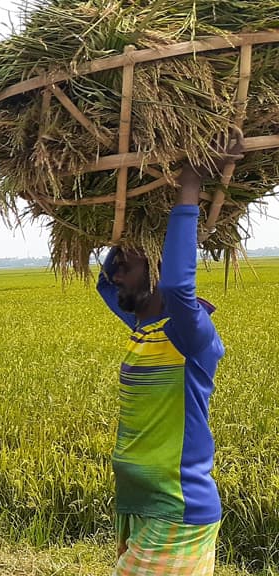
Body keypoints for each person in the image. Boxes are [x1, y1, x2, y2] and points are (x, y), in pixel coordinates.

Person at [97, 134, 242, 576]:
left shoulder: (190, 335)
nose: (116, 273)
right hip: (139, 505)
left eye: (128, 264)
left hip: (178, 508)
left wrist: (191, 182)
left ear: (157, 269)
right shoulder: (144, 326)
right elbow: (104, 284)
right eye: (117, 263)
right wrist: (123, 232)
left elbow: (179, 287)